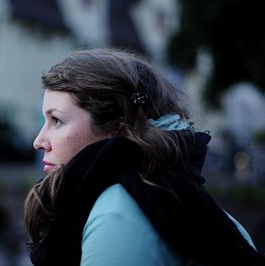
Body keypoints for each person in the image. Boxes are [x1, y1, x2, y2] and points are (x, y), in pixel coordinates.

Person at [24, 48, 265, 266]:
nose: (39, 141)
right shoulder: (185, 202)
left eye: (56, 120)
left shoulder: (117, 217)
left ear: (115, 126)